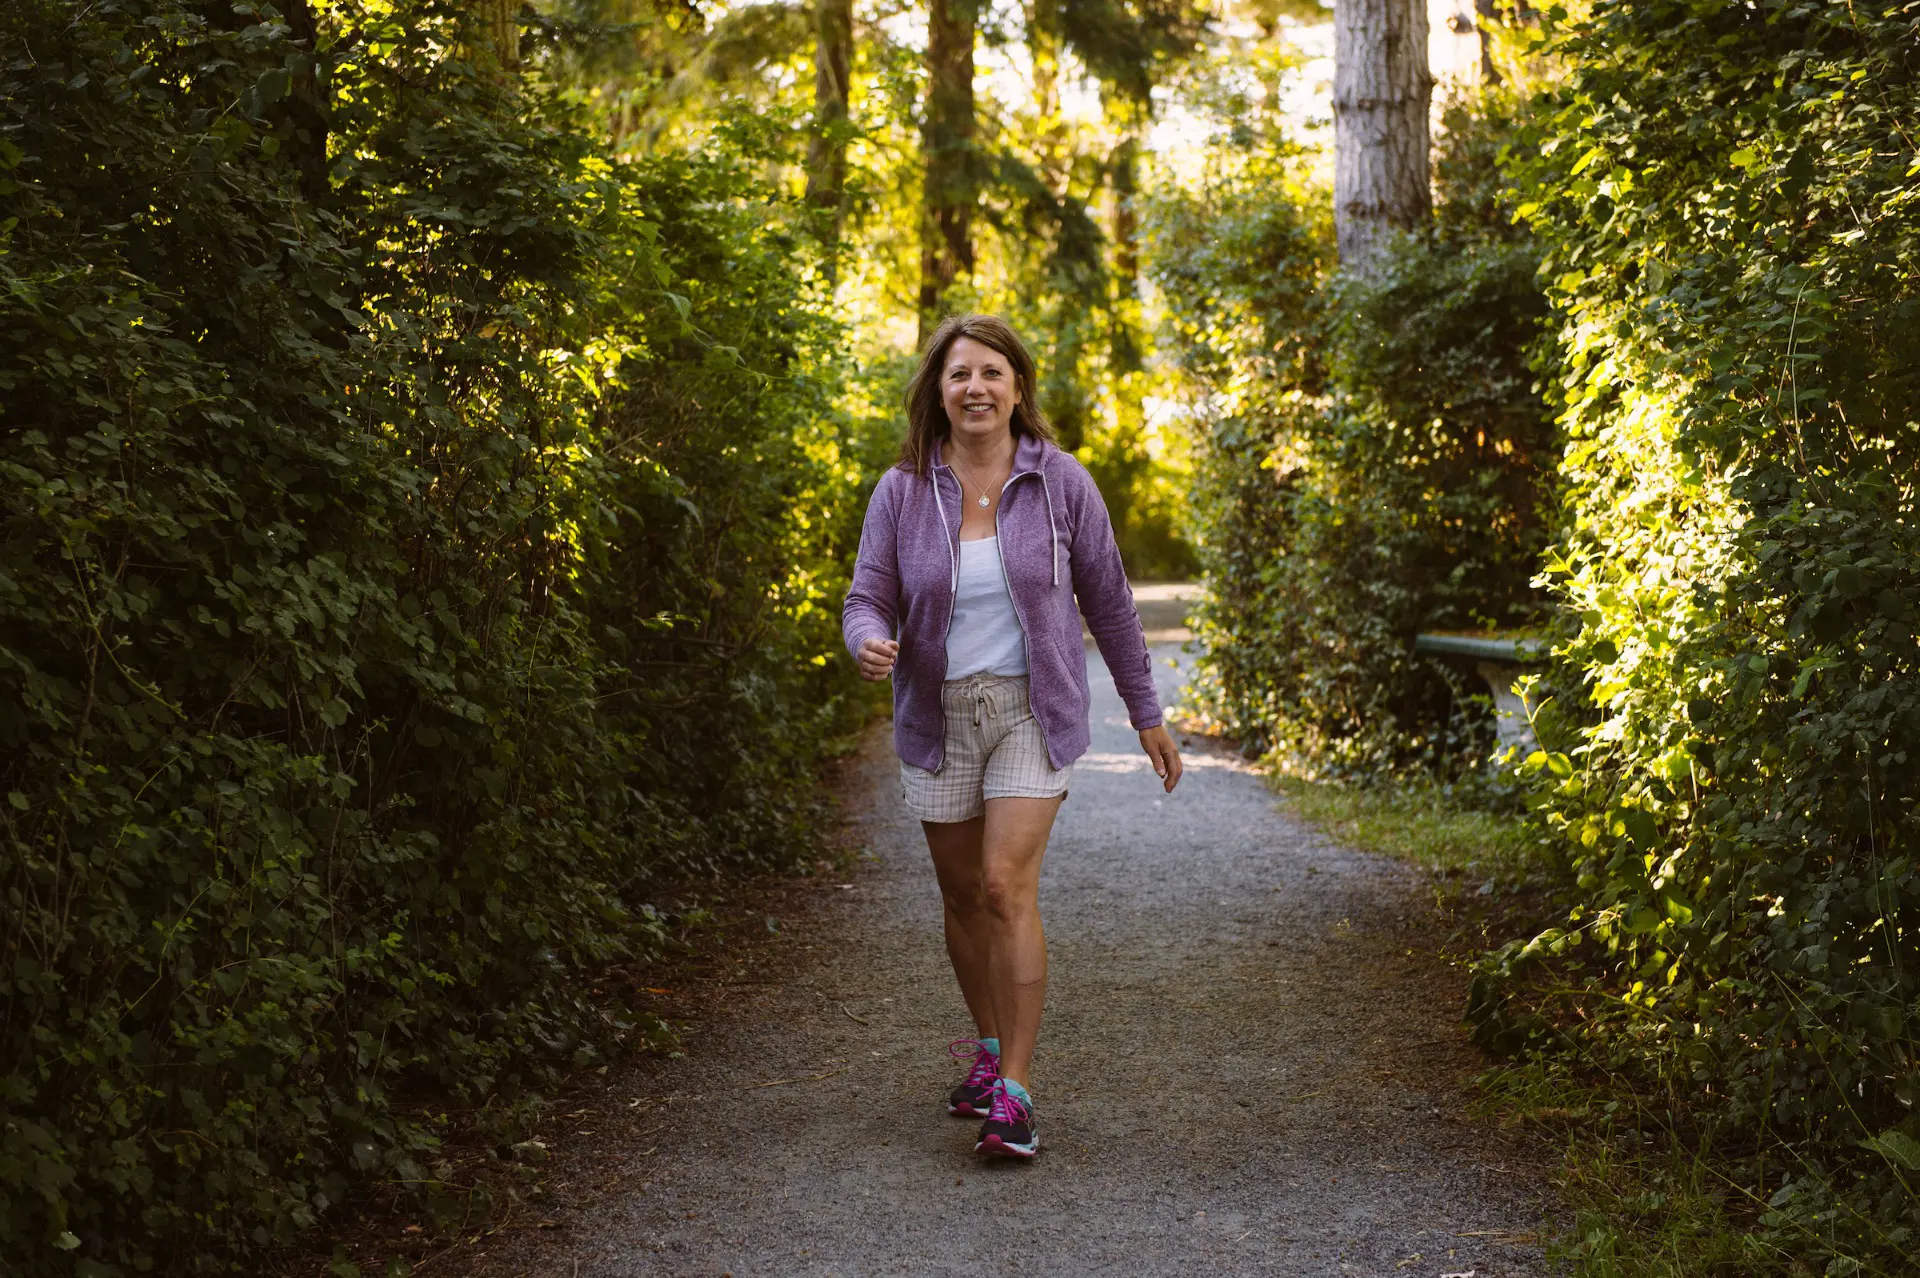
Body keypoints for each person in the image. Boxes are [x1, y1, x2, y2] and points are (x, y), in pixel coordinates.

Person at [842, 313, 1183, 1160]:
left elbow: (1109, 603)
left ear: (1018, 387)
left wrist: (1146, 714)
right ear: (940, 392)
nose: (976, 388)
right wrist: (867, 640)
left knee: (1002, 884)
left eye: (992, 372)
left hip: (1034, 708)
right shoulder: (903, 489)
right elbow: (866, 597)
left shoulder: (1062, 483)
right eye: (960, 375)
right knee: (961, 897)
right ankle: (990, 1057)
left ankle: (1019, 1098)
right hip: (938, 712)